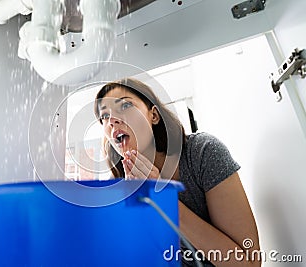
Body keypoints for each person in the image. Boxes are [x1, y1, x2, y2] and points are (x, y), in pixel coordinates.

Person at [93, 77, 260, 267]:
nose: (112, 121)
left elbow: (248, 263)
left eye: (125, 106)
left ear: (153, 115)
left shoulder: (201, 153)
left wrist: (164, 199)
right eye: (104, 116)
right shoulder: (117, 189)